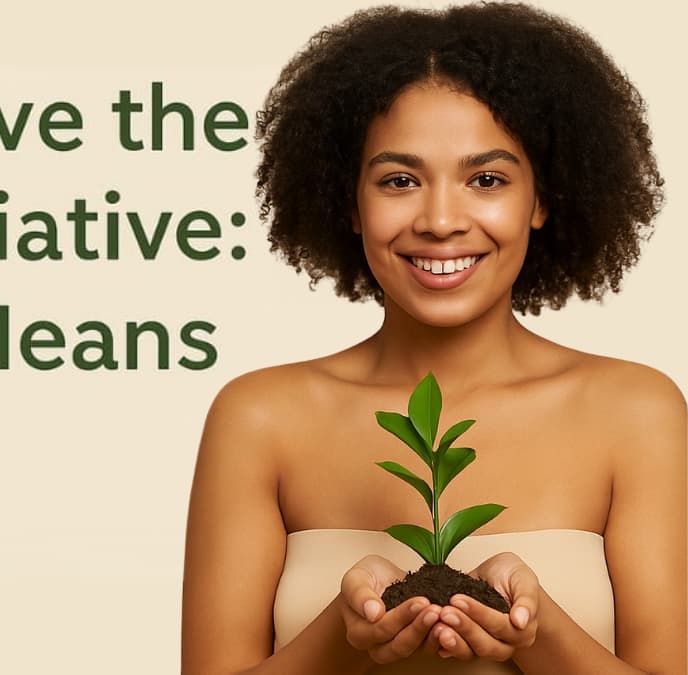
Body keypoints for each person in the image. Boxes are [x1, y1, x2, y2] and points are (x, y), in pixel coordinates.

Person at [181, 3, 686, 674]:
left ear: (541, 199)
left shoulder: (637, 412)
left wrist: (540, 633)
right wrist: (344, 625)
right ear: (348, 204)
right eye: (399, 180)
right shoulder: (258, 416)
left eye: (486, 179)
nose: (442, 219)